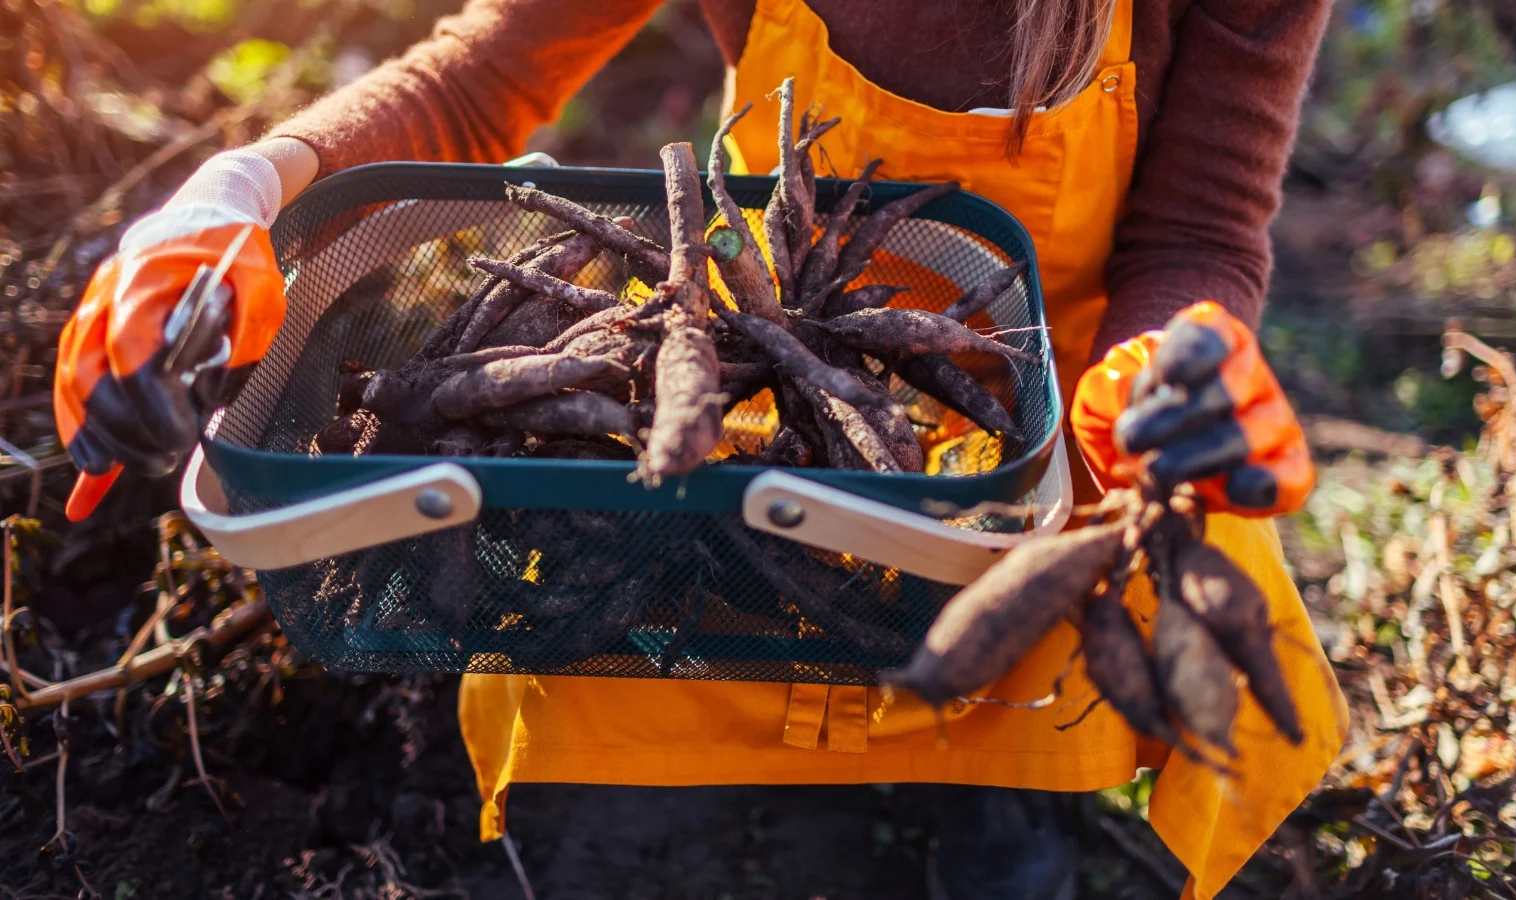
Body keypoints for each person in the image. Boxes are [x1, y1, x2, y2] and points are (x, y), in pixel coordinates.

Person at [54, 1, 1350, 897]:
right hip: (732, 443)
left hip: (1042, 470)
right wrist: (245, 191)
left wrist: (1164, 373)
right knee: (618, 813)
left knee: (1008, 829)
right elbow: (479, 77)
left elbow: (1200, 234)